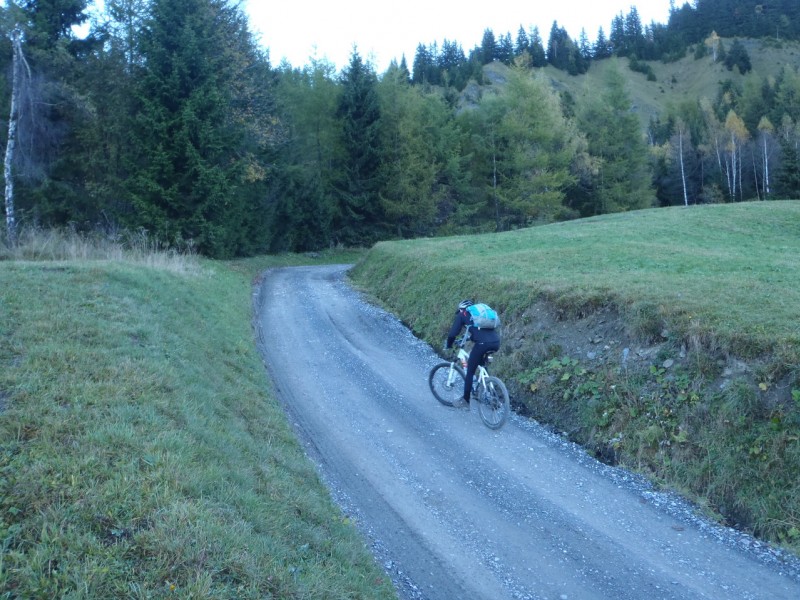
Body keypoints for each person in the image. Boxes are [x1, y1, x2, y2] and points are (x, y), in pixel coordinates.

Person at [445, 299, 501, 407]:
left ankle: (465, 401)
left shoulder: (463, 315)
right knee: (481, 364)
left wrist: (449, 344)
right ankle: (491, 394)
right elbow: (480, 332)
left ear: (461, 309)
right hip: (495, 342)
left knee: (470, 370)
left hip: (482, 344)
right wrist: (470, 338)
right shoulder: (480, 316)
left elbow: (452, 333)